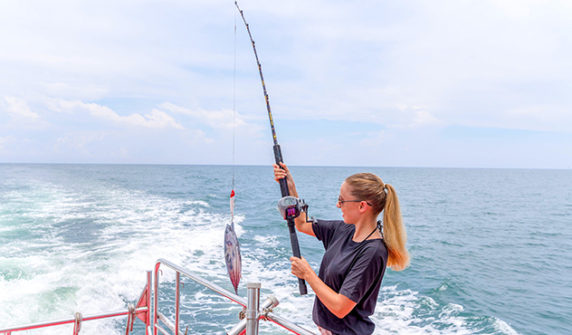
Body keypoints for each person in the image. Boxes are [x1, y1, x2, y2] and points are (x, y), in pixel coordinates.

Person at [273, 163, 409, 335]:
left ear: (362, 206)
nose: (338, 205)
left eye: (342, 200)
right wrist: (289, 185)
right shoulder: (342, 229)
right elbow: (301, 223)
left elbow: (340, 307)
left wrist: (307, 274)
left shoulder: (373, 251)